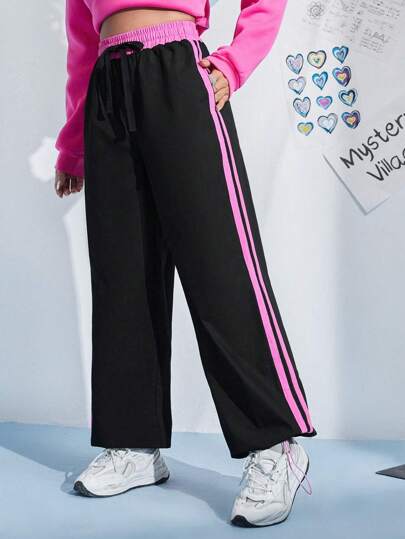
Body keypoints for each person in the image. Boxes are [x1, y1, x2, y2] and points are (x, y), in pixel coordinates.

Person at [54, 1, 317, 528]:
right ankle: (134, 444)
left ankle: (276, 444)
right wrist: (74, 145)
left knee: (219, 266)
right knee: (123, 273)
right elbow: (82, 41)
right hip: (108, 87)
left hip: (177, 71)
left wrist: (234, 63)